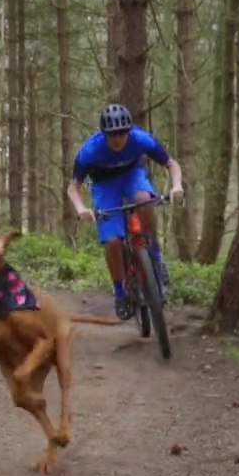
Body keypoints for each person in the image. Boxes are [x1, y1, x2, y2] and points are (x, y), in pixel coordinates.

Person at [66, 103, 184, 321]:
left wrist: (176, 185)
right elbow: (73, 187)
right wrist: (81, 208)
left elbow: (171, 163)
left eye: (122, 134)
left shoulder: (141, 139)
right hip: (104, 186)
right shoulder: (90, 151)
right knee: (112, 241)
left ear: (129, 131)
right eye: (113, 135)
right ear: (104, 134)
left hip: (133, 176)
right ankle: (120, 292)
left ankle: (155, 259)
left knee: (144, 200)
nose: (119, 139)